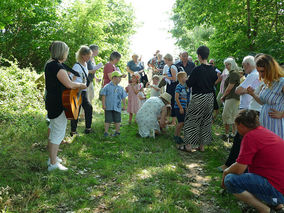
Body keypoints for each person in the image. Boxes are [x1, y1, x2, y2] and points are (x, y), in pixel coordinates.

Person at [223, 110, 284, 213]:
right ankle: (278, 206)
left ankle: (265, 210)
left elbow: (239, 169)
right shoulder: (262, 131)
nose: (237, 129)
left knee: (230, 180)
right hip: (279, 183)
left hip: (276, 188)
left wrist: (226, 172)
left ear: (241, 125)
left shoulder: (250, 136)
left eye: (236, 126)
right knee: (247, 172)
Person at [45, 41, 87, 171]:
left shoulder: (50, 64)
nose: (67, 54)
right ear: (62, 52)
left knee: (54, 129)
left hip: (53, 102)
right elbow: (69, 84)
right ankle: (53, 164)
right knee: (57, 132)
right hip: (58, 104)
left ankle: (52, 158)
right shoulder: (57, 67)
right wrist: (80, 85)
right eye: (66, 51)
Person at [218, 55, 261, 172]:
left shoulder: (253, 75)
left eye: (243, 65)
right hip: (252, 109)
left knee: (239, 139)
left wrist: (243, 89)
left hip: (247, 110)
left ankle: (230, 165)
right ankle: (240, 166)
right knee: (242, 139)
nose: (243, 68)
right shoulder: (256, 75)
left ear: (247, 64)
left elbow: (238, 90)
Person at [183, 46, 218, 152]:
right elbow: (213, 83)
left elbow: (189, 84)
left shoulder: (197, 69)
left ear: (199, 56)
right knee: (206, 121)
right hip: (210, 97)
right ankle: (202, 146)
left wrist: (185, 79)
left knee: (192, 120)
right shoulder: (213, 69)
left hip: (199, 97)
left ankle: (188, 146)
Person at [247, 54, 284, 139]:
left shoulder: (282, 82)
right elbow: (262, 102)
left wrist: (282, 114)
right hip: (265, 123)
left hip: (277, 125)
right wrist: (252, 94)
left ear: (271, 69)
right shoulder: (268, 82)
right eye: (258, 71)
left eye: (262, 71)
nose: (261, 74)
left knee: (276, 149)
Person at [69, 46, 93, 136]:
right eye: (88, 55)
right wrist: (77, 84)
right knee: (76, 111)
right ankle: (73, 131)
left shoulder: (85, 64)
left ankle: (88, 129)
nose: (89, 58)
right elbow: (71, 79)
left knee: (88, 108)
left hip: (84, 91)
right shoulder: (76, 66)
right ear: (83, 55)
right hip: (77, 91)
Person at [100, 71, 127, 137]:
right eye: (119, 78)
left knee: (117, 120)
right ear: (114, 78)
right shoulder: (107, 86)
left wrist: (124, 105)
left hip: (117, 107)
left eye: (121, 78)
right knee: (108, 120)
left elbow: (123, 97)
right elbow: (104, 96)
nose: (120, 79)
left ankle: (117, 132)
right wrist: (103, 104)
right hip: (108, 106)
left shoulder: (120, 88)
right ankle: (106, 132)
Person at [221, 57, 240, 140]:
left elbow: (229, 87)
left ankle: (227, 134)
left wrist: (223, 96)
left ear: (232, 64)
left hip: (232, 96)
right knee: (233, 115)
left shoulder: (233, 73)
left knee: (226, 115)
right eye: (225, 65)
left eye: (228, 64)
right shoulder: (233, 73)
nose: (226, 66)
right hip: (233, 97)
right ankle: (232, 134)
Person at [174, 72, 190, 145]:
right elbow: (176, 98)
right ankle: (175, 136)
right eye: (185, 77)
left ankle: (178, 136)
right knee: (180, 123)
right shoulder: (179, 86)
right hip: (178, 107)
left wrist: (186, 107)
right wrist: (180, 107)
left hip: (184, 107)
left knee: (182, 123)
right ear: (180, 78)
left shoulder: (185, 86)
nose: (186, 78)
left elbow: (187, 98)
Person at [163, 53, 178, 125]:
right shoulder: (170, 67)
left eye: (165, 60)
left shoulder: (172, 67)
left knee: (173, 103)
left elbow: (175, 79)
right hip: (170, 86)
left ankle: (174, 121)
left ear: (168, 59)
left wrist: (166, 77)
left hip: (173, 87)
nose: (164, 61)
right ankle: (170, 119)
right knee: (169, 103)